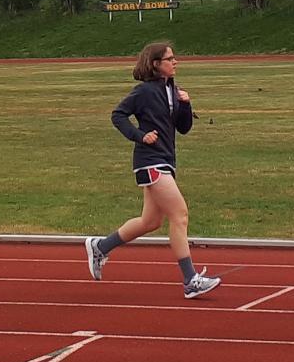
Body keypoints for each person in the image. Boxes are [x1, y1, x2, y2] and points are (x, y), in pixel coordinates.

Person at [85, 42, 221, 299]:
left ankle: (101, 246)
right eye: (170, 59)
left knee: (150, 221)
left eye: (174, 58)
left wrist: (186, 104)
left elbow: (184, 128)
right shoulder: (144, 92)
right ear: (156, 64)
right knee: (179, 214)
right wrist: (139, 135)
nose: (175, 62)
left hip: (167, 159)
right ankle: (190, 279)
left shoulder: (173, 90)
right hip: (150, 161)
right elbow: (118, 115)